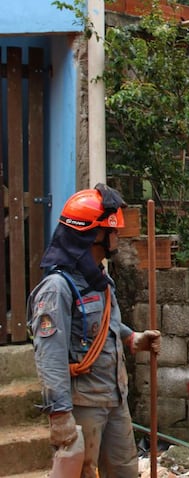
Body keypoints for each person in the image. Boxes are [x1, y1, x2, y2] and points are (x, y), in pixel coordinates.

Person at [27, 184, 162, 478]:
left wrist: (132, 338)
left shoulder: (100, 278)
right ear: (92, 234)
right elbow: (49, 357)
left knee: (126, 471)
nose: (117, 237)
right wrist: (60, 415)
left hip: (115, 397)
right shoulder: (57, 290)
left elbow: (105, 324)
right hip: (83, 404)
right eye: (111, 231)